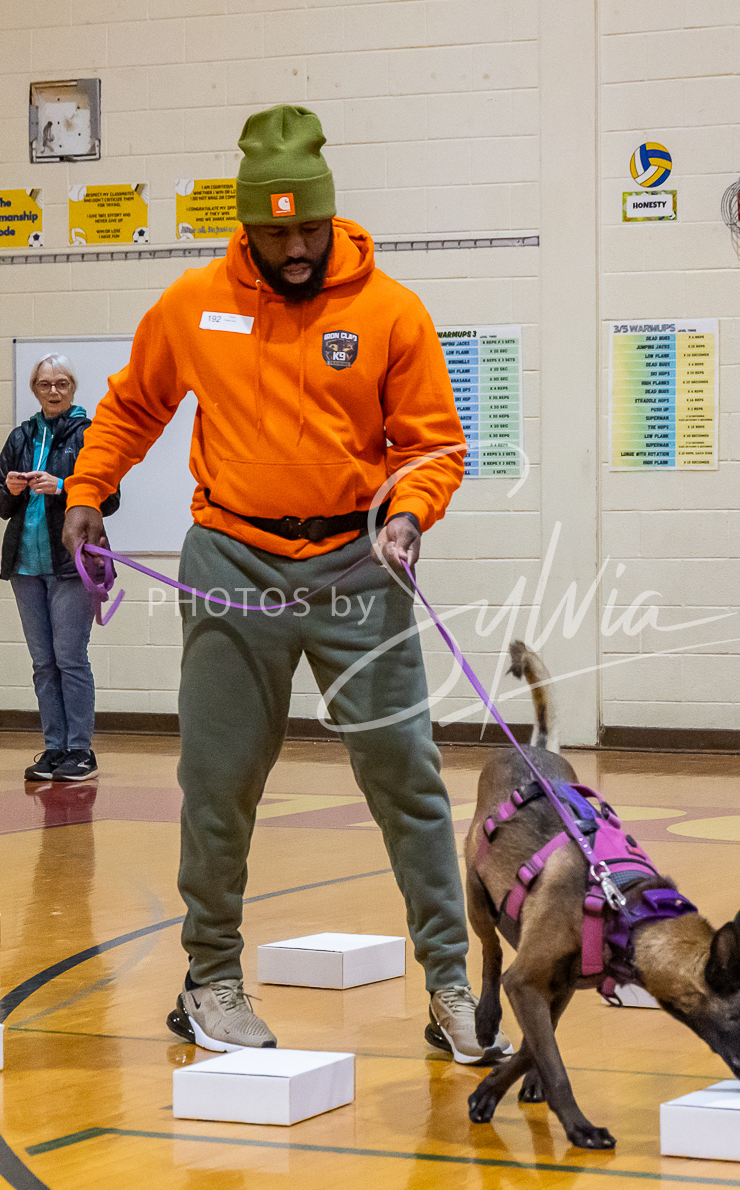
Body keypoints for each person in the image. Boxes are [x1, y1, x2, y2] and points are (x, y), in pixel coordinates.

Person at [63, 104, 511, 1064]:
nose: (296, 248)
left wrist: (408, 514)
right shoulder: (193, 303)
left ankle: (449, 985)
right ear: (247, 227)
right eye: (275, 234)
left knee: (406, 778)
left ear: (329, 214)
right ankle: (210, 980)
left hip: (357, 563)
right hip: (232, 559)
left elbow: (432, 445)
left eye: (308, 228)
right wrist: (88, 490)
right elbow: (133, 406)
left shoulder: (388, 310)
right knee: (217, 781)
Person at [0, 354, 120, 782]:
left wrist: (65, 486)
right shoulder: (20, 437)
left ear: (72, 388)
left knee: (70, 658)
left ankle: (80, 751)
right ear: (35, 389)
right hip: (24, 566)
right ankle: (53, 748)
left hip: (72, 564)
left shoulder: (90, 435)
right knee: (42, 662)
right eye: (45, 384)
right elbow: (2, 506)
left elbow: (110, 498)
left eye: (61, 383)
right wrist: (10, 489)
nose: (53, 391)